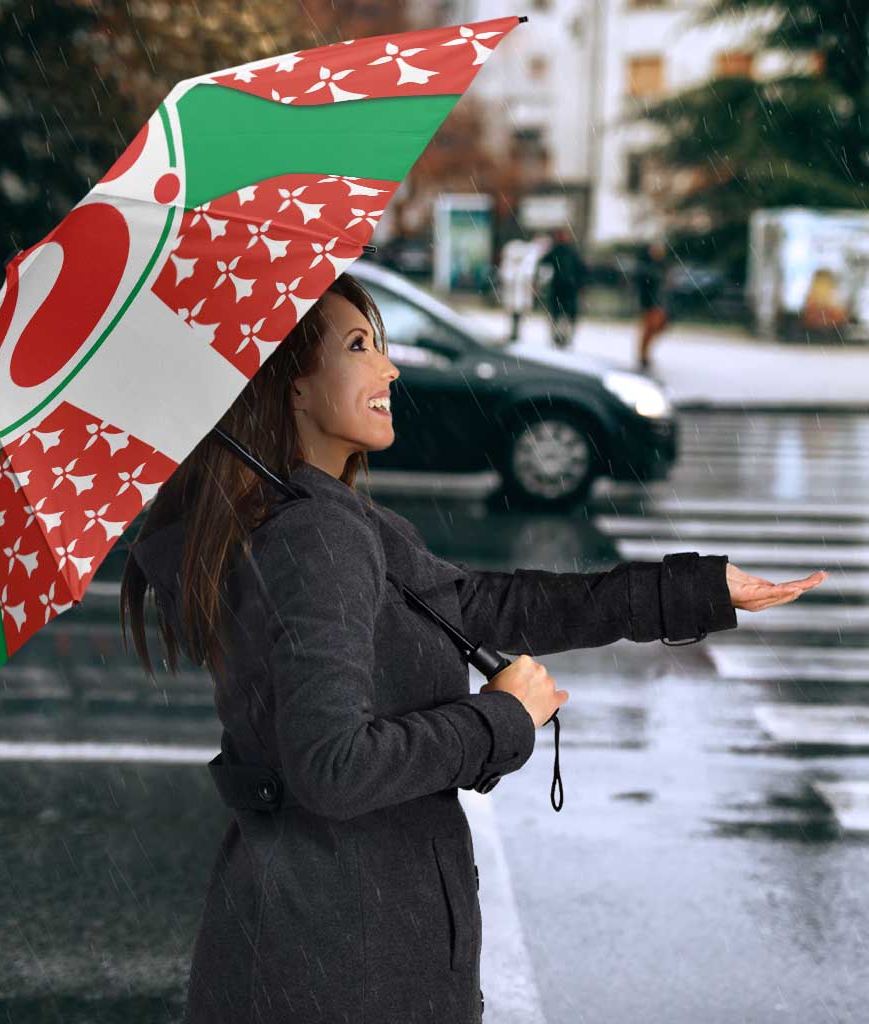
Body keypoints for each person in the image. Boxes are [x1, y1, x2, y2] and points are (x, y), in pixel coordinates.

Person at [120, 271, 824, 1024]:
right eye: (359, 346)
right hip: (344, 962)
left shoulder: (320, 517)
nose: (389, 368)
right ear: (291, 385)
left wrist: (694, 591)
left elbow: (485, 605)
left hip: (322, 942)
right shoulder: (314, 536)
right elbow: (332, 767)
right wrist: (500, 719)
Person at [537, 226, 587, 349]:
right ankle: (558, 337)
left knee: (565, 315)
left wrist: (580, 284)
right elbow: (543, 264)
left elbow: (581, 270)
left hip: (568, 288)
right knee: (558, 314)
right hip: (560, 288)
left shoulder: (570, 252)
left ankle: (564, 337)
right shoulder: (557, 251)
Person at [635, 239, 671, 370]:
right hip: (650, 303)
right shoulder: (647, 267)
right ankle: (643, 355)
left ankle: (644, 354)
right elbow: (644, 286)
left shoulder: (662, 266)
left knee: (657, 328)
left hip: (659, 303)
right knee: (649, 329)